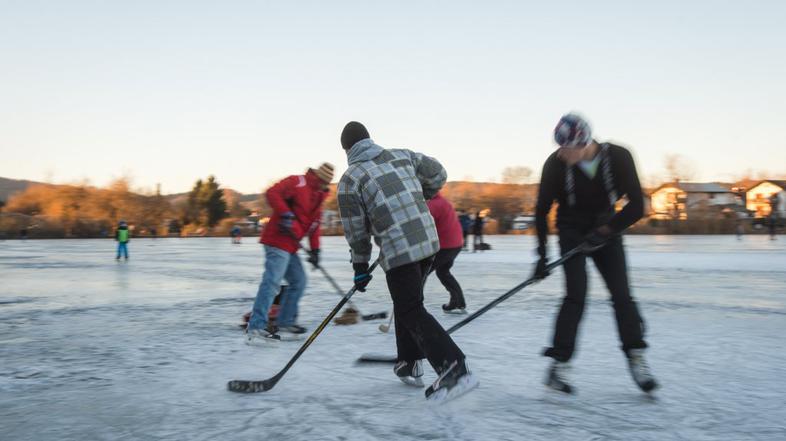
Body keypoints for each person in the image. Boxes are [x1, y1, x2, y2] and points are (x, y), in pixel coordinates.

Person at [337, 121, 478, 401]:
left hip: (400, 249)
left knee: (410, 307)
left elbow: (356, 230)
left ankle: (453, 367)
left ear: (347, 149)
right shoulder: (402, 155)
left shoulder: (350, 179)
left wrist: (360, 266)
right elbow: (438, 173)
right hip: (428, 242)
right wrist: (418, 196)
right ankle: (410, 362)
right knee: (407, 302)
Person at [533, 113, 657, 394]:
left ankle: (636, 357)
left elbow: (637, 206)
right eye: (559, 147)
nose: (562, 153)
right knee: (576, 295)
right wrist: (540, 256)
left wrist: (606, 231)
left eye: (568, 148)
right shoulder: (554, 165)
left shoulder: (619, 157)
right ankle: (559, 365)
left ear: (584, 142)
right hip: (571, 231)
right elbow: (541, 211)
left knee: (622, 295)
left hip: (607, 229)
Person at [246, 162, 334, 343]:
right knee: (272, 283)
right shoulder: (297, 182)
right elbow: (272, 193)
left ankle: (285, 322)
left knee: (299, 281)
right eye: (323, 180)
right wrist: (285, 213)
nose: (324, 184)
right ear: (317, 176)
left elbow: (314, 226)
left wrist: (316, 250)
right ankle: (256, 326)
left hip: (291, 245)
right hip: (277, 239)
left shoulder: (319, 197)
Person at [426, 192, 467, 313]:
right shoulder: (442, 201)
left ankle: (412, 307)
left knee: (420, 274)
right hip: (455, 244)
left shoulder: (433, 205)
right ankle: (458, 302)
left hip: (445, 245)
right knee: (443, 272)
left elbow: (423, 227)